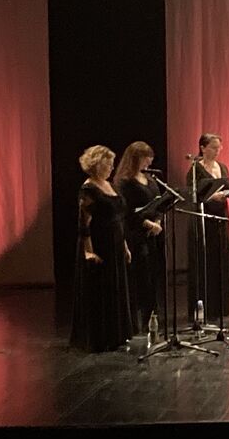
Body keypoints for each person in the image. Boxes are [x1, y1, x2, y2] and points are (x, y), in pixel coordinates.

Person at [71, 145, 134, 352]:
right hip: (99, 242)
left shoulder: (109, 185)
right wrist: (88, 250)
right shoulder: (89, 188)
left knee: (116, 287)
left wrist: (124, 245)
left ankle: (116, 335)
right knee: (101, 289)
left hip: (115, 242)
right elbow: (84, 223)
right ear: (96, 164)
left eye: (112, 164)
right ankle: (100, 337)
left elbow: (119, 218)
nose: (111, 168)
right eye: (108, 164)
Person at [114, 141, 166, 337]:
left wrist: (158, 221)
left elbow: (159, 203)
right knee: (140, 276)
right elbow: (125, 213)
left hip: (154, 234)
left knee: (153, 275)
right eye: (146, 157)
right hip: (136, 234)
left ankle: (151, 318)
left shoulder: (151, 179)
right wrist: (147, 223)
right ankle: (136, 320)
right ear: (135, 159)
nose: (149, 161)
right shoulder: (125, 182)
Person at [186, 132, 229, 321]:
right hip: (204, 218)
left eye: (219, 147)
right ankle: (204, 306)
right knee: (206, 260)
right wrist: (211, 196)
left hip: (221, 215)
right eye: (213, 147)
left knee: (221, 257)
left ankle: (221, 307)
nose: (217, 151)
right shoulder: (195, 169)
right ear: (203, 148)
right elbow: (192, 193)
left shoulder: (221, 167)